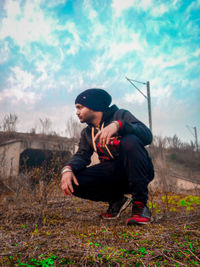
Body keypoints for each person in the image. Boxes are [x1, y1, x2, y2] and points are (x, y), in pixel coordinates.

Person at [61, 88, 154, 225]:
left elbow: (147, 136)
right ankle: (117, 200)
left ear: (94, 106)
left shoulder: (120, 115)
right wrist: (68, 169)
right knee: (75, 180)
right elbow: (81, 156)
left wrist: (119, 125)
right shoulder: (87, 133)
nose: (77, 112)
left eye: (80, 107)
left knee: (130, 141)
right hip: (114, 174)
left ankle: (140, 206)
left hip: (138, 170)